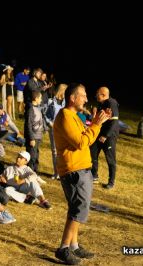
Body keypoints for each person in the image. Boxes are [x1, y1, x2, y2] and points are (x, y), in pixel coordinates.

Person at [53, 83, 111, 265]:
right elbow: (80, 142)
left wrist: (96, 124)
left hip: (81, 168)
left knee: (76, 209)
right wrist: (95, 124)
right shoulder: (65, 116)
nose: (86, 99)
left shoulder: (74, 117)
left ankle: (74, 246)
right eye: (83, 95)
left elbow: (88, 139)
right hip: (74, 170)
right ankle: (63, 248)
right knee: (78, 210)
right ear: (72, 98)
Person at [90, 87, 119, 189]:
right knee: (92, 151)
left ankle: (111, 182)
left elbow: (114, 121)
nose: (96, 95)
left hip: (109, 136)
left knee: (110, 159)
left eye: (97, 94)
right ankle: (94, 176)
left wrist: (106, 135)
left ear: (103, 94)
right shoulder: (101, 104)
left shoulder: (111, 103)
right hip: (99, 134)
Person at [45, 84, 67, 180]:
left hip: (64, 129)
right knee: (54, 151)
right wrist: (49, 123)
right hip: (53, 129)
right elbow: (45, 114)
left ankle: (63, 173)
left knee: (63, 151)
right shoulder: (51, 102)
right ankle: (56, 172)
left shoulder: (67, 103)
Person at [24, 91, 45, 173]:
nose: (41, 100)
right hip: (33, 137)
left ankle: (35, 173)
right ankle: (29, 173)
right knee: (31, 156)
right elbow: (28, 124)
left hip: (38, 137)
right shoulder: (31, 109)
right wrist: (31, 138)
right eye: (40, 98)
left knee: (36, 156)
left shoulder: (37, 108)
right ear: (36, 99)